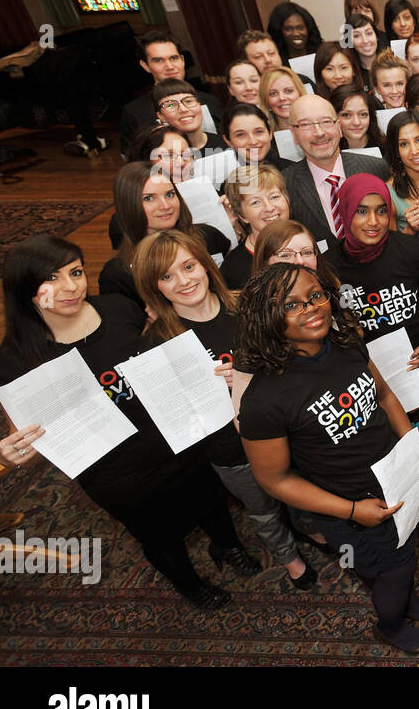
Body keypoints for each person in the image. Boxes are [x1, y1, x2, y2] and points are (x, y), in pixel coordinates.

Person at [0, 235, 247, 610]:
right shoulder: (15, 360)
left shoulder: (117, 308)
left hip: (178, 439)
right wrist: (16, 454)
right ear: (25, 290)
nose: (71, 287)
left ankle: (229, 546)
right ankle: (191, 586)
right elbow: (29, 440)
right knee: (160, 537)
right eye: (52, 279)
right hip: (119, 475)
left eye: (76, 272)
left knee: (211, 501)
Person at [237, 262, 419, 653]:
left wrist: (418, 455)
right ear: (266, 318)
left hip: (396, 479)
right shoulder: (263, 402)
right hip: (351, 507)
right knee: (392, 568)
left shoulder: (347, 342)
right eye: (290, 305)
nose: (311, 308)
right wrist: (352, 511)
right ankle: (391, 625)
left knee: (403, 558)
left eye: (315, 296)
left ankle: (404, 599)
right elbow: (274, 480)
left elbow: (384, 395)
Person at [132, 230, 315, 590]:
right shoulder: (157, 343)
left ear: (205, 264)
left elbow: (294, 360)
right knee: (262, 507)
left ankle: (311, 530)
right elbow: (170, 417)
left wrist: (253, 371)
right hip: (229, 448)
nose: (184, 281)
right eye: (167, 276)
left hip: (285, 428)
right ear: (155, 288)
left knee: (301, 485)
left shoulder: (247, 304)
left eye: (188, 266)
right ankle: (288, 557)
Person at [323, 173, 419, 520]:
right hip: (382, 384)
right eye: (361, 211)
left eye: (381, 211)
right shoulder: (329, 268)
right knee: (411, 451)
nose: (373, 221)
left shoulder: (412, 250)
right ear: (345, 212)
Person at [99, 162, 231, 307]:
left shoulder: (208, 236)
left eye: (170, 194)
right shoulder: (118, 275)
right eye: (149, 198)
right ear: (129, 205)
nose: (166, 205)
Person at [283, 94, 391, 243]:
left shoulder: (376, 168)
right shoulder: (284, 185)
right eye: (306, 125)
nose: (319, 133)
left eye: (326, 122)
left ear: (339, 128)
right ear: (293, 134)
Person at [119, 31, 220, 155]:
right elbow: (132, 160)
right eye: (158, 60)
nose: (169, 66)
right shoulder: (134, 112)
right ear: (145, 66)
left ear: (182, 60)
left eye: (174, 58)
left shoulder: (210, 101)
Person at [221, 163, 289, 289]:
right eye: (256, 202)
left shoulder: (314, 234)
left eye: (274, 197)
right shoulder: (233, 269)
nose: (269, 207)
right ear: (242, 215)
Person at [152, 79, 224, 154]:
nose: (183, 109)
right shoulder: (159, 157)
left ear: (200, 105)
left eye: (188, 101)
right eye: (171, 105)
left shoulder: (228, 144)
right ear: (161, 116)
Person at [222, 102, 288, 174]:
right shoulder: (226, 182)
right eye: (241, 135)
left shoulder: (292, 172)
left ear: (270, 133)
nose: (253, 141)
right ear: (228, 141)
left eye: (259, 132)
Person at [328, 84, 384, 150]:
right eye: (346, 115)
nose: (356, 122)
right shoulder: (327, 151)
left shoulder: (387, 148)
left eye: (363, 114)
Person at [258, 66, 307, 132]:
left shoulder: (320, 129)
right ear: (266, 101)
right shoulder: (264, 137)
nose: (282, 98)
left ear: (300, 93)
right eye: (273, 93)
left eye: (288, 91)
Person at [345, 14, 382, 88]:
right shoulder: (349, 74)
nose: (365, 41)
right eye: (356, 36)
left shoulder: (392, 65)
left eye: (369, 33)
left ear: (376, 36)